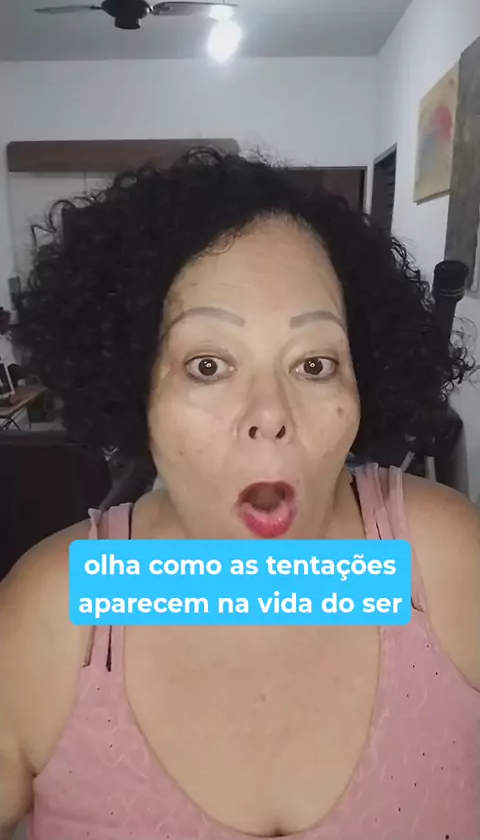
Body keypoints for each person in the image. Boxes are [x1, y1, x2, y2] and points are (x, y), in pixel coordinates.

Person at [0, 150, 479, 840]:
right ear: (138, 387)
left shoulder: (438, 563)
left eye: (314, 363)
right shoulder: (62, 611)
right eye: (207, 364)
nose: (270, 413)